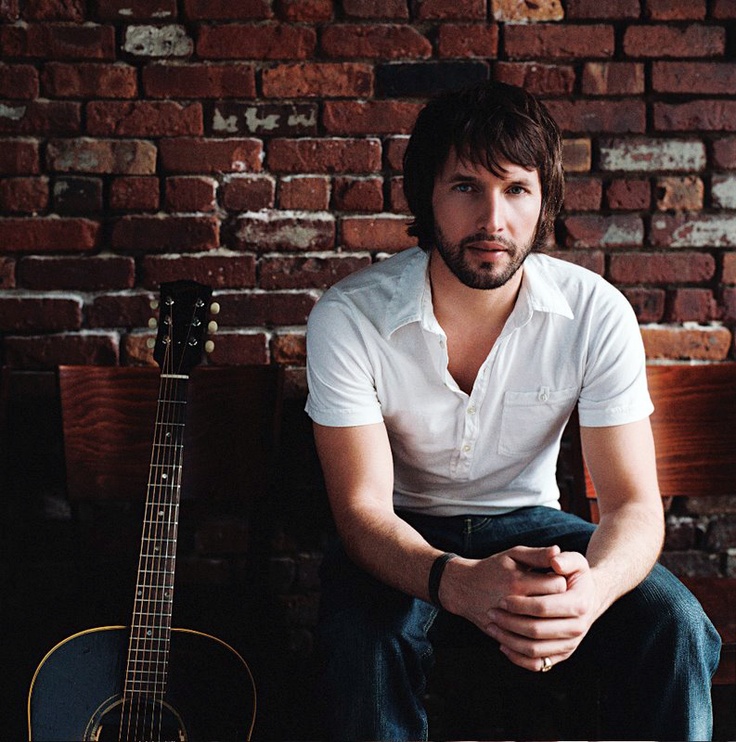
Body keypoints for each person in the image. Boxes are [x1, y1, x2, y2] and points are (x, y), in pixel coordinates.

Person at [304, 81, 720, 741]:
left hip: (535, 527)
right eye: (466, 187)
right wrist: (451, 581)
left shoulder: (594, 312)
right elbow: (361, 514)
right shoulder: (350, 317)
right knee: (364, 639)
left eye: (516, 190)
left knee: (677, 625)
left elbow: (635, 504)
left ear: (544, 200)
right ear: (425, 198)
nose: (493, 220)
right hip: (404, 529)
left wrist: (592, 590)